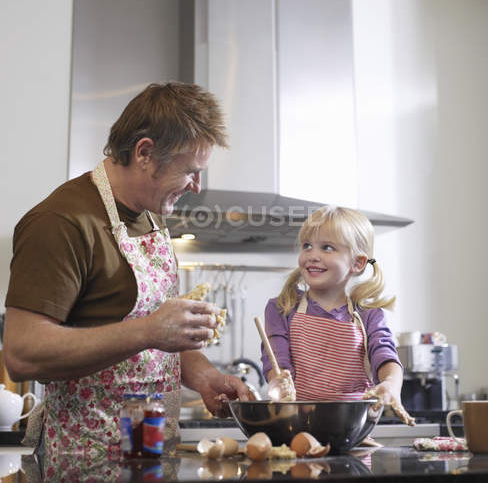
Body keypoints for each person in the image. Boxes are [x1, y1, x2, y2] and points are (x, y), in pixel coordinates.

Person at [3, 81, 251, 458]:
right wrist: (149, 330)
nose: (197, 187)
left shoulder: (151, 217)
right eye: (190, 171)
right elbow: (22, 354)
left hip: (147, 452)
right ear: (145, 153)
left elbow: (156, 338)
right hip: (85, 458)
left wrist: (205, 376)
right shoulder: (62, 222)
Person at [261, 205, 414, 425]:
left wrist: (391, 384)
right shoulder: (282, 307)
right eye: (307, 246)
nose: (313, 256)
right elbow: (276, 362)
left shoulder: (369, 315)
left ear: (357, 262)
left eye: (327, 248)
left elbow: (385, 355)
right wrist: (277, 382)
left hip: (352, 430)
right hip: (297, 428)